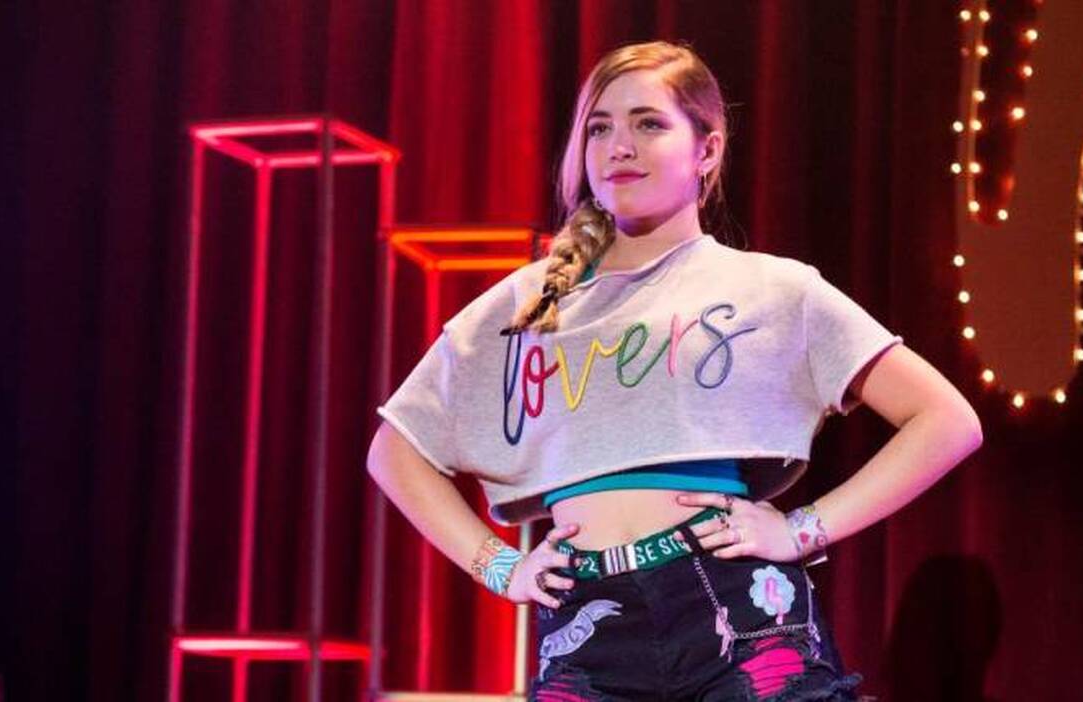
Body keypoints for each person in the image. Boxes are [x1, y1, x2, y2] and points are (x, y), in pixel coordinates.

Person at [366, 39, 982, 701]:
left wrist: (802, 529)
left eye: (649, 124)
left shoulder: (770, 288)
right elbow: (393, 452)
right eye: (599, 128)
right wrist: (500, 567)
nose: (619, 146)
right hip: (587, 621)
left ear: (707, 150)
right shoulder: (531, 303)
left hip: (734, 605)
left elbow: (947, 420)